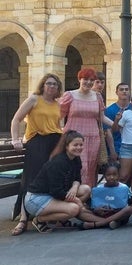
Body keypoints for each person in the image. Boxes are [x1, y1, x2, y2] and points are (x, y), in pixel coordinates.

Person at [10, 74, 63, 236]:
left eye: (55, 84)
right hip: (38, 142)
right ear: (43, 85)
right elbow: (16, 119)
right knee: (31, 178)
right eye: (48, 83)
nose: (51, 86)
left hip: (55, 142)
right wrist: (15, 139)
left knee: (50, 178)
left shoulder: (57, 104)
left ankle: (43, 216)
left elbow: (58, 125)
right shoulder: (34, 99)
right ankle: (23, 218)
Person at [25, 131, 91, 233]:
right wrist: (77, 201)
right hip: (36, 198)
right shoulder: (58, 162)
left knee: (86, 189)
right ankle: (39, 220)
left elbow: (77, 178)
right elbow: (56, 191)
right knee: (74, 209)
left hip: (53, 195)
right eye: (75, 145)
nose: (79, 147)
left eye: (81, 145)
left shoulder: (75, 158)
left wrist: (74, 187)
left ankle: (60, 219)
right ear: (66, 146)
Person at [60, 68, 111, 188]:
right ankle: (75, 195)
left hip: (93, 138)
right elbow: (58, 116)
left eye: (91, 80)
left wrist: (119, 124)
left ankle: (88, 197)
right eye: (85, 79)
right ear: (79, 79)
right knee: (81, 167)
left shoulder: (97, 96)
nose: (88, 82)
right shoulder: (70, 95)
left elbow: (102, 118)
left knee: (91, 168)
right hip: (74, 138)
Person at [81, 162, 132, 229]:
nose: (111, 177)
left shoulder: (124, 188)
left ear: (119, 175)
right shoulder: (98, 188)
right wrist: (96, 210)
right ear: (104, 176)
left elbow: (130, 204)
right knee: (81, 212)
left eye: (114, 174)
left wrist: (117, 209)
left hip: (118, 215)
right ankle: (112, 223)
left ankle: (97, 224)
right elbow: (92, 206)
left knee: (129, 209)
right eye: (108, 175)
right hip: (102, 215)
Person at [103, 82, 130, 159]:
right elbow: (108, 132)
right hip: (117, 146)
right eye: (121, 89)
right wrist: (112, 151)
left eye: (126, 89)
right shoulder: (109, 110)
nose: (124, 91)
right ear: (116, 92)